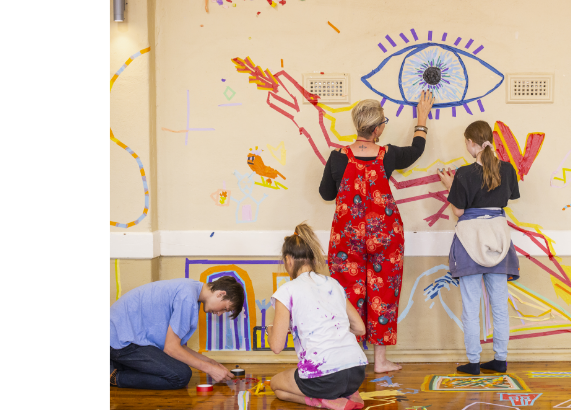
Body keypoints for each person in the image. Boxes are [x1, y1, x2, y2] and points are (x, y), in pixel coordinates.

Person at [319, 91, 434, 373]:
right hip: (386, 235)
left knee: (348, 293)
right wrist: (422, 118)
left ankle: (355, 358)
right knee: (383, 293)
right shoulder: (389, 154)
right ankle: (380, 361)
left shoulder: (337, 157)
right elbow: (416, 150)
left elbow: (325, 193)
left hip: (347, 237)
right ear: (378, 128)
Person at [436, 120, 521, 375]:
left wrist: (448, 186)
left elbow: (459, 211)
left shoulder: (463, 173)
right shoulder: (507, 170)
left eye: (466, 142)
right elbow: (507, 198)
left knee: (471, 306)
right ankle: (501, 360)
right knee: (499, 306)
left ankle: (473, 362)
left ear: (471, 143)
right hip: (499, 239)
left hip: (469, 240)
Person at [267, 223, 368, 410]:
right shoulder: (333, 284)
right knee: (284, 391)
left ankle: (325, 401)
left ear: (289, 260)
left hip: (324, 378)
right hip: (356, 372)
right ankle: (346, 394)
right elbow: (360, 328)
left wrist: (270, 331)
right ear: (312, 259)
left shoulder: (286, 290)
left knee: (276, 385)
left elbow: (276, 347)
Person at [110, 276, 245, 389]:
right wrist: (210, 369)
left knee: (178, 366)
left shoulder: (191, 289)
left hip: (124, 338)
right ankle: (114, 377)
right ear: (221, 294)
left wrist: (211, 362)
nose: (220, 314)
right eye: (225, 308)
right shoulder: (188, 297)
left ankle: (117, 364)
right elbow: (171, 349)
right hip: (119, 341)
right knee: (180, 376)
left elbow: (177, 346)